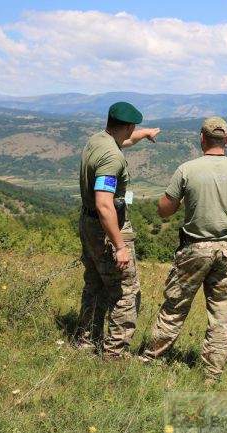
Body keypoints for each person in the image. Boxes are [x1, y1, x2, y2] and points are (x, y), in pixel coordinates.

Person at [140, 116, 227, 383]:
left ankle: (150, 360)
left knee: (175, 307)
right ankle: (212, 376)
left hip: (194, 249)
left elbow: (164, 210)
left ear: (201, 138)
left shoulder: (186, 170)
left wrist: (186, 199)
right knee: (222, 316)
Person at [75, 101, 160, 360]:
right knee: (125, 291)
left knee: (95, 284)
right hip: (108, 228)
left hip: (88, 224)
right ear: (128, 125)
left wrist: (143, 135)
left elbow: (122, 141)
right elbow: (104, 203)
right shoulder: (112, 158)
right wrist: (120, 246)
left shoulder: (98, 140)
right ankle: (115, 354)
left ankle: (86, 341)